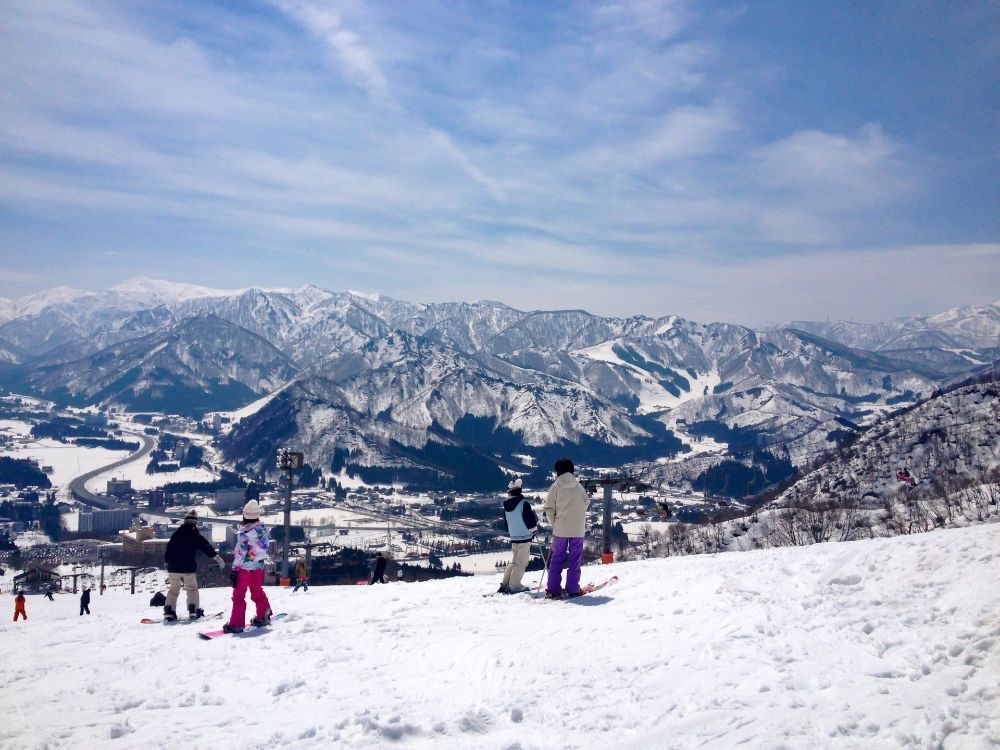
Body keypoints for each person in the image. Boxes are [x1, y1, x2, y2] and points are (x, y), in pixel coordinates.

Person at [163, 509, 226, 621]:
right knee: (191, 589)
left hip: (173, 568)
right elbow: (206, 547)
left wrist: (167, 561)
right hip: (188, 568)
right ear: (195, 522)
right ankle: (193, 610)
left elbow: (169, 549)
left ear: (185, 521)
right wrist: (218, 558)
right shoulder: (195, 535)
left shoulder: (176, 534)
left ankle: (169, 611)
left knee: (173, 589)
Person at [543, 458, 591, 599]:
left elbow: (549, 508)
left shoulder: (555, 486)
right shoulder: (578, 486)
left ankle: (553, 589)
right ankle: (573, 588)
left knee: (557, 559)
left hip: (560, 529)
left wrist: (555, 522)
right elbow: (586, 502)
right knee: (575, 559)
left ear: (558, 471)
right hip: (577, 529)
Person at [223, 500, 272, 634]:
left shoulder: (244, 534)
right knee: (257, 591)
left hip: (244, 569)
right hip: (258, 567)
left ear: (245, 516)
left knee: (238, 596)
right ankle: (264, 615)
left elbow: (240, 554)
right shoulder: (263, 530)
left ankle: (236, 624)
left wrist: (234, 569)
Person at [498, 478, 538, 594]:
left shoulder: (506, 505)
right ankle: (515, 585)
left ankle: (505, 583)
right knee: (522, 562)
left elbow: (506, 523)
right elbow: (529, 520)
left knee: (515, 560)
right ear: (520, 491)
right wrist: (534, 530)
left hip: (514, 536)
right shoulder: (523, 504)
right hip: (525, 536)